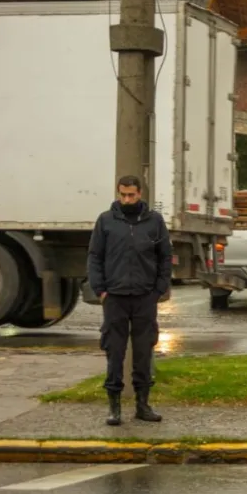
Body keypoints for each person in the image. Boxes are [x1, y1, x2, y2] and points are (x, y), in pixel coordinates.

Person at [87, 175, 172, 426]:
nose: (126, 199)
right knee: (114, 351)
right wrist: (101, 290)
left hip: (145, 297)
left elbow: (165, 257)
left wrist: (158, 290)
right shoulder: (106, 221)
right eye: (123, 195)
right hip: (115, 297)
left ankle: (142, 404)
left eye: (131, 195)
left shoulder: (154, 221)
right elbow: (95, 256)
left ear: (140, 194)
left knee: (143, 351)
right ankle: (114, 407)